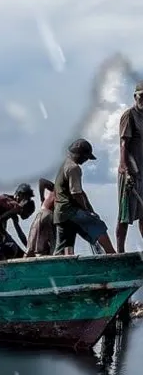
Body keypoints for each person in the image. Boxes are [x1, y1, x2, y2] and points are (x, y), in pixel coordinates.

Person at [53, 139, 115, 256]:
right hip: (70, 210)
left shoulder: (64, 165)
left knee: (65, 244)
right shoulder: (74, 168)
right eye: (85, 157)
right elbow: (76, 193)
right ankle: (112, 254)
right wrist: (87, 211)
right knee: (98, 225)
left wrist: (90, 209)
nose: (86, 160)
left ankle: (63, 263)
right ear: (79, 155)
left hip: (60, 214)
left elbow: (80, 192)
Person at [117, 81, 143, 253]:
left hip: (142, 173)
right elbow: (124, 144)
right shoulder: (129, 115)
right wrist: (126, 170)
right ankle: (120, 253)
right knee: (125, 215)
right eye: (142, 96)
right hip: (129, 173)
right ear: (135, 96)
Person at [0, 184, 36, 259]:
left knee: (18, 251)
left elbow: (20, 233)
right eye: (25, 199)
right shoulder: (10, 203)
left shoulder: (13, 208)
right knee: (12, 249)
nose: (26, 201)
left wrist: (29, 248)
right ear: (19, 195)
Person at [25, 179, 55, 257]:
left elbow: (41, 181)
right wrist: (42, 198)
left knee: (33, 245)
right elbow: (41, 181)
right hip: (52, 216)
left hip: (44, 214)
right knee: (53, 247)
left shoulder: (56, 188)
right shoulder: (60, 190)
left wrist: (42, 199)